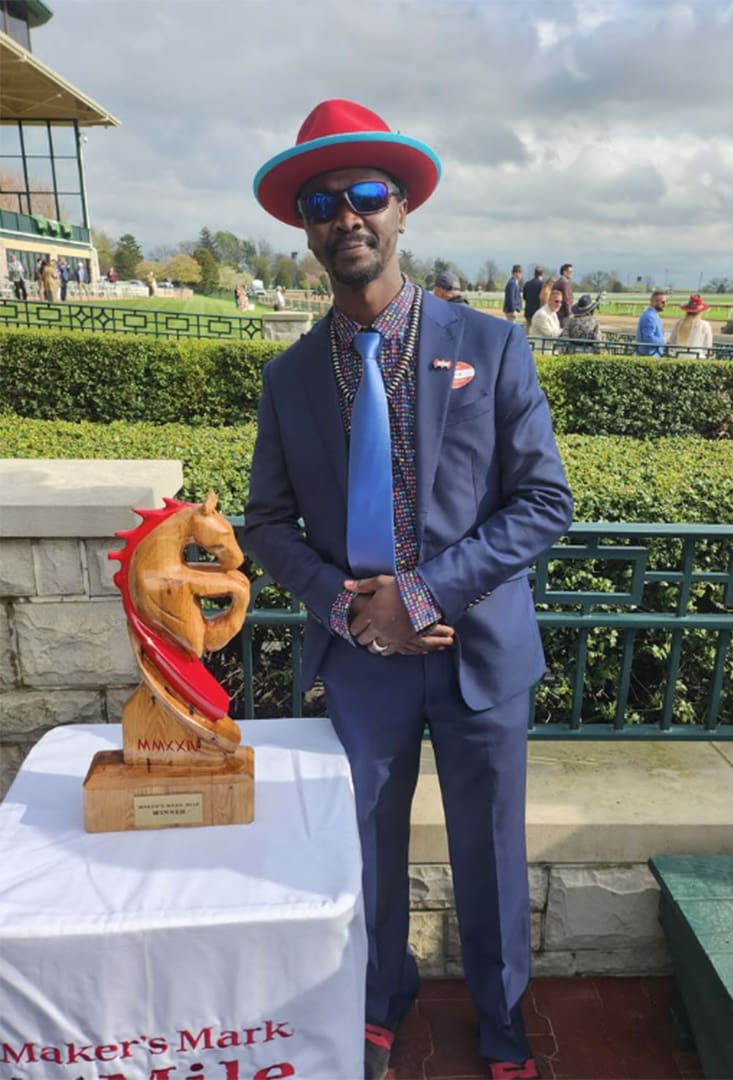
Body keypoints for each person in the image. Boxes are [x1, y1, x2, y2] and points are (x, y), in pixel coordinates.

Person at [245, 97, 573, 1080]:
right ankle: (376, 1004)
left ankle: (504, 1027)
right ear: (305, 229)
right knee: (365, 858)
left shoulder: (492, 344)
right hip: (362, 663)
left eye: (366, 193)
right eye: (321, 202)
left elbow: (542, 501)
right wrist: (353, 610)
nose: (346, 215)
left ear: (400, 211)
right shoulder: (290, 377)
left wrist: (421, 596)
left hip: (477, 654)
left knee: (490, 859)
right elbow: (266, 524)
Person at [636, 290, 667, 356]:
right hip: (649, 356)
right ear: (654, 302)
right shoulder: (649, 317)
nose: (665, 304)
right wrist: (664, 340)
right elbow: (649, 339)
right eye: (663, 302)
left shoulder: (653, 315)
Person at [521, 266, 544, 333]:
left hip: (528, 309)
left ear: (534, 273)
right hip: (537, 310)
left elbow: (524, 297)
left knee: (528, 328)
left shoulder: (527, 283)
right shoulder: (542, 284)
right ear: (542, 274)